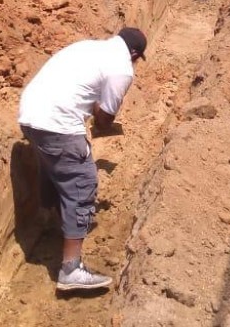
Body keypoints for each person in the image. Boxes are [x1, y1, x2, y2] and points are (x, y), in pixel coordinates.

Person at [18, 27, 147, 292]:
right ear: (134, 54)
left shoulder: (89, 47)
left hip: (30, 115)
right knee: (82, 182)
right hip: (57, 123)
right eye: (137, 58)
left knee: (54, 170)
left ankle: (53, 221)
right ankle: (71, 269)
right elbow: (104, 119)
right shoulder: (122, 68)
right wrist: (101, 112)